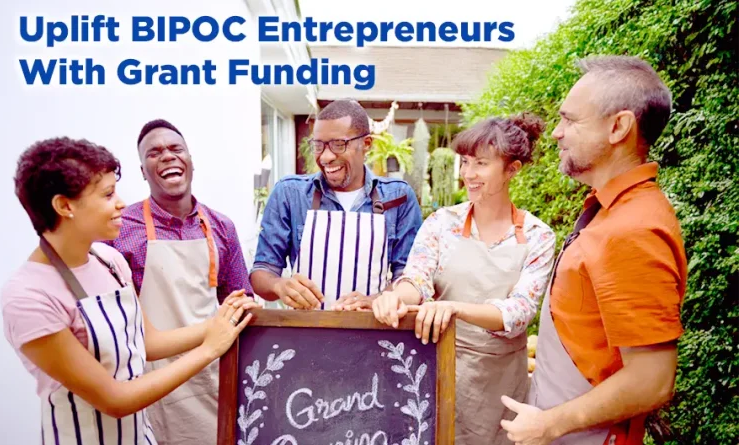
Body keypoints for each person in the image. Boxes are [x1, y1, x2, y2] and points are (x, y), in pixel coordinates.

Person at [1, 137, 257, 445]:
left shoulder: (109, 262)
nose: (121, 203)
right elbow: (115, 400)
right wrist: (208, 349)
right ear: (64, 206)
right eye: (108, 195)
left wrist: (220, 325)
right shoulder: (29, 296)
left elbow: (148, 341)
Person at [500, 56, 687, 445]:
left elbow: (652, 379)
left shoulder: (632, 229)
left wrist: (551, 424)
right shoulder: (609, 210)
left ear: (618, 127)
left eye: (570, 120)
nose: (555, 133)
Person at [371, 113, 557, 444]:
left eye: (481, 164)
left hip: (500, 386)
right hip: (439, 369)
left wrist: (455, 309)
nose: (467, 174)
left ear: (512, 169)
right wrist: (396, 297)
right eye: (465, 162)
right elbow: (418, 279)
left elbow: (519, 312)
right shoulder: (441, 223)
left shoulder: (537, 236)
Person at [106, 119, 254, 445]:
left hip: (212, 375)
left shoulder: (221, 227)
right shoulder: (119, 231)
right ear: (143, 171)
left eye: (176, 149)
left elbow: (243, 302)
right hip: (150, 379)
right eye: (154, 153)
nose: (168, 156)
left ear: (190, 161)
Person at [250, 99, 423, 310]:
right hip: (305, 333)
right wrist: (279, 285)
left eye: (338, 144)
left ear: (366, 144)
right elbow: (261, 272)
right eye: (318, 145)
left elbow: (408, 277)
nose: (326, 156)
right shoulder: (289, 193)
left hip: (372, 331)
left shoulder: (399, 196)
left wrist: (374, 301)